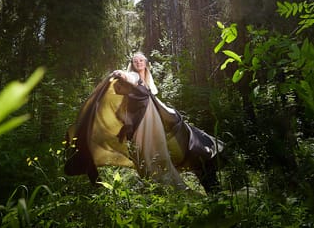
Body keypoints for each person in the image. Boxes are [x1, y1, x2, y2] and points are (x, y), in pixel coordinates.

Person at [64, 52, 224, 192]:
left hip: (158, 121)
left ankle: (207, 173)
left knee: (187, 147)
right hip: (143, 125)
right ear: (132, 65)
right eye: (135, 61)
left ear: (146, 63)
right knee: (151, 160)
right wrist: (121, 74)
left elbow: (150, 99)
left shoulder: (148, 82)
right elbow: (130, 81)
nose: (138, 63)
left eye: (141, 60)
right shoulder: (134, 77)